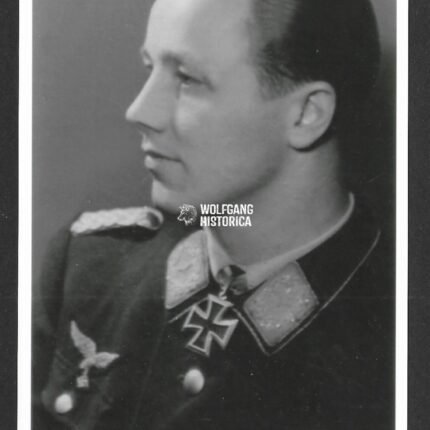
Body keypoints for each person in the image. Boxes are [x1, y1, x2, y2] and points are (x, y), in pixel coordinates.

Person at [32, 0, 394, 429]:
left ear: (306, 113)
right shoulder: (90, 268)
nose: (139, 111)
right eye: (150, 68)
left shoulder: (393, 334)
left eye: (187, 79)